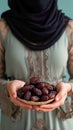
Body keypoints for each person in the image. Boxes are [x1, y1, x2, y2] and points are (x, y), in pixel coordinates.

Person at [0, 0, 73, 130]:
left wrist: (68, 88)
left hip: (60, 124)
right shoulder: (3, 29)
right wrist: (7, 88)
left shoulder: (69, 29)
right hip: (16, 124)